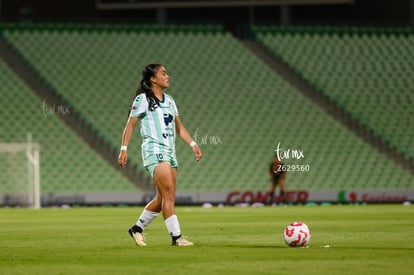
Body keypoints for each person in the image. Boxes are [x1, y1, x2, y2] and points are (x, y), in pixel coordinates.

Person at [118, 64, 202, 246]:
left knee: (163, 197)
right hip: (153, 151)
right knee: (169, 194)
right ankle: (176, 237)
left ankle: (136, 229)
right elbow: (130, 125)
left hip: (170, 152)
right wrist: (124, 148)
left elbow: (179, 127)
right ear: (153, 79)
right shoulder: (143, 99)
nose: (167, 76)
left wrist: (193, 144)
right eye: (163, 73)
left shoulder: (170, 100)